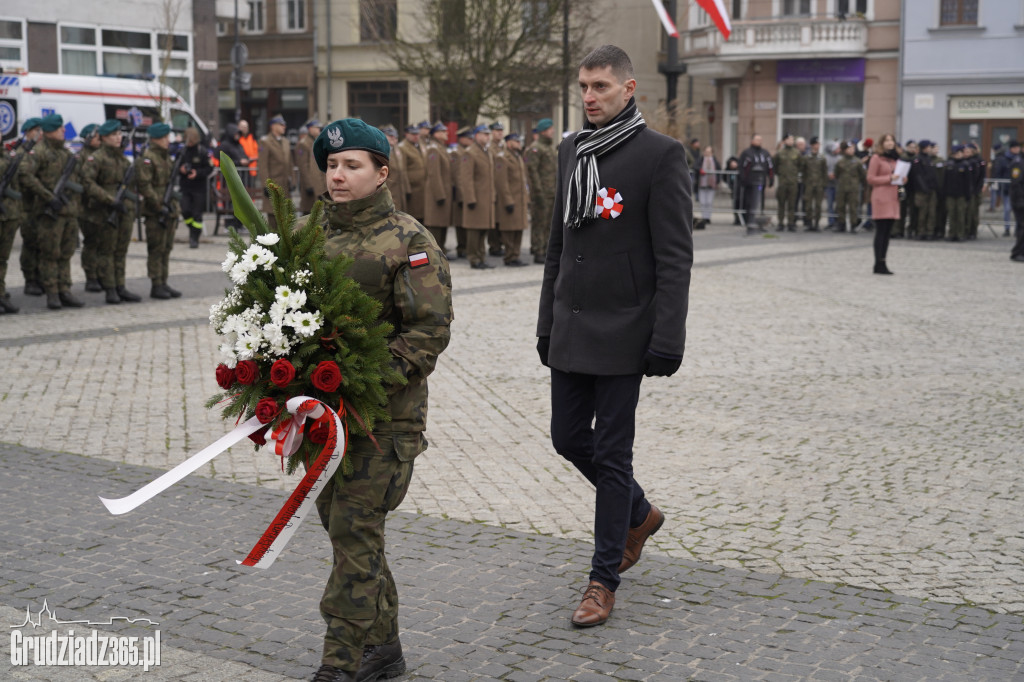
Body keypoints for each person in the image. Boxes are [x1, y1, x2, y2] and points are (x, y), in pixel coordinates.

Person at [536, 44, 692, 628]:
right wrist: (546, 322)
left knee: (611, 453)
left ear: (629, 90)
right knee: (567, 437)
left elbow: (675, 258)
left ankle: (603, 579)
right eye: (583, 86)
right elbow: (558, 245)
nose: (589, 96)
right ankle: (640, 514)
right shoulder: (571, 150)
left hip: (627, 331)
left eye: (600, 86)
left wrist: (667, 337)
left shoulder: (660, 155)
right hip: (571, 327)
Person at [306, 117, 453, 682]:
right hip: (321, 417)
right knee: (348, 532)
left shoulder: (410, 241)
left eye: (351, 166)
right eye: (331, 165)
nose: (338, 176)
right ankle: (384, 649)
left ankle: (339, 664)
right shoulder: (307, 232)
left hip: (382, 422)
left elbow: (427, 332)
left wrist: (359, 383)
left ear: (381, 172)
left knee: (353, 531)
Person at [17, 114, 85, 310]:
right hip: (49, 213)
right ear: (48, 132)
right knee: (50, 253)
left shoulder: (65, 153)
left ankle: (65, 289)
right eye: (59, 128)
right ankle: (52, 292)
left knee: (66, 253)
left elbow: (76, 179)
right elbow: (25, 175)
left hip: (68, 211)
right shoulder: (38, 152)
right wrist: (48, 197)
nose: (63, 131)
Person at [80, 119, 141, 304]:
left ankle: (120, 286)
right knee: (107, 251)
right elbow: (88, 183)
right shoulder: (96, 158)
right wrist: (109, 200)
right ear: (104, 138)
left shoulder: (122, 158)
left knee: (121, 251)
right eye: (114, 135)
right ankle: (110, 288)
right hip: (106, 211)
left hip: (123, 210)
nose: (118, 137)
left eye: (119, 134)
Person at [136, 123, 181, 299]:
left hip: (168, 208)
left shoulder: (165, 157)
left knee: (166, 247)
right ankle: (156, 284)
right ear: (155, 138)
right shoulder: (148, 158)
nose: (167, 141)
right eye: (164, 138)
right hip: (155, 211)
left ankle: (164, 281)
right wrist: (158, 205)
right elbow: (145, 186)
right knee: (156, 248)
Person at [458, 124, 496, 269]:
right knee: (474, 230)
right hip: (476, 199)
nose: (487, 137)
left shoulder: (488, 151)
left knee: (483, 229)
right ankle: (474, 258)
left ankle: (481, 257)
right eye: (484, 134)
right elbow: (466, 179)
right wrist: (470, 199)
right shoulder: (470, 153)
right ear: (477, 136)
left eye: (488, 134)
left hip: (486, 198)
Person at [866, 134, 904, 275]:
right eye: (887, 140)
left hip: (893, 197)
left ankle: (883, 262)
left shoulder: (896, 159)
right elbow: (870, 178)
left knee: (888, 232)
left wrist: (902, 179)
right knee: (881, 231)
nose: (890, 143)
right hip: (881, 197)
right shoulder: (876, 158)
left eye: (892, 140)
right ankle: (878, 264)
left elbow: (898, 177)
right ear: (882, 143)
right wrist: (889, 178)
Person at [17, 118, 45, 296]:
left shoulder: (41, 152)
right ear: (28, 132)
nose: (40, 133)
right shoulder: (22, 153)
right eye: (36, 130)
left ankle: (40, 277)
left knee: (41, 243)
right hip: (26, 206)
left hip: (41, 205)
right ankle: (30, 279)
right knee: (30, 243)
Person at [76, 124, 105, 291]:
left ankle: (101, 274)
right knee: (91, 243)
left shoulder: (100, 155)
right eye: (96, 137)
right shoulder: (82, 157)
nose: (99, 140)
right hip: (87, 207)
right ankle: (91, 276)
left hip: (101, 205)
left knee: (102, 243)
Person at [493, 132, 529, 265]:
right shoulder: (502, 157)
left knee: (519, 229)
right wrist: (508, 200)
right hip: (510, 200)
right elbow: (502, 183)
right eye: (516, 141)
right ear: (509, 143)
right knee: (509, 229)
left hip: (520, 200)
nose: (519, 143)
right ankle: (509, 256)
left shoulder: (518, 156)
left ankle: (515, 255)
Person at [526, 118, 558, 263]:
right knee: (539, 222)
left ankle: (545, 248)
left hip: (552, 192)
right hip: (542, 193)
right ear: (544, 131)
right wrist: (538, 193)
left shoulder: (549, 148)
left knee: (548, 223)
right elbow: (532, 172)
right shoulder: (535, 148)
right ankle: (538, 250)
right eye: (550, 129)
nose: (553, 131)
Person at [258, 115, 293, 229]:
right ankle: (273, 246)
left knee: (286, 220)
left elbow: (290, 163)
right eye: (281, 124)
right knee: (273, 221)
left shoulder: (286, 142)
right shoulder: (265, 142)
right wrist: (266, 185)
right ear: (273, 126)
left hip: (285, 186)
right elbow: (263, 165)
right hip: (274, 185)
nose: (284, 127)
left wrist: (293, 181)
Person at [179, 127, 212, 248]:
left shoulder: (202, 151)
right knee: (185, 210)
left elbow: (209, 168)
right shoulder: (182, 151)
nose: (189, 143)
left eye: (192, 141)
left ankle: (194, 238)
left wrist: (197, 173)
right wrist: (180, 170)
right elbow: (175, 167)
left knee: (197, 214)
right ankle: (192, 229)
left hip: (199, 188)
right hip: (185, 187)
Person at [422, 121, 453, 252]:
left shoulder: (440, 147)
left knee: (442, 223)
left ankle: (441, 250)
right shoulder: (433, 149)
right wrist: (439, 194)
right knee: (436, 224)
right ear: (436, 134)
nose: (446, 133)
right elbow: (434, 173)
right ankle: (435, 252)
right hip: (437, 193)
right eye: (443, 131)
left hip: (444, 191)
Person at [738, 134, 773, 232]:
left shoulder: (764, 153)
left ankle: (759, 223)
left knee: (759, 202)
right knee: (750, 202)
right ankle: (750, 222)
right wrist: (743, 179)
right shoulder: (747, 153)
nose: (759, 142)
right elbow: (742, 167)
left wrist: (771, 178)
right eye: (757, 140)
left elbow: (770, 166)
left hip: (760, 182)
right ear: (752, 140)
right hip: (749, 182)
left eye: (760, 140)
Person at [909, 140, 938, 241]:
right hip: (921, 191)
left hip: (931, 190)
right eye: (929, 147)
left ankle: (929, 232)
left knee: (931, 212)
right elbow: (917, 175)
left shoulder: (929, 159)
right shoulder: (917, 159)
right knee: (922, 212)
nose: (930, 148)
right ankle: (920, 232)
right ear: (924, 147)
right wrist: (923, 187)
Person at [295, 119, 326, 214]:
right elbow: (303, 166)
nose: (318, 130)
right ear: (310, 129)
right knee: (309, 211)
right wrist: (309, 185)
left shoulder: (317, 141)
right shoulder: (304, 143)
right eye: (316, 128)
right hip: (310, 183)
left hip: (319, 182)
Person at [834, 141, 865, 232]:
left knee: (853, 207)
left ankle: (853, 225)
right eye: (849, 149)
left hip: (853, 188)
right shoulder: (840, 161)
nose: (852, 150)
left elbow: (862, 174)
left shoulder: (857, 161)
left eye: (853, 148)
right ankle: (841, 224)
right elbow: (837, 174)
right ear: (845, 150)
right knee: (840, 206)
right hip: (842, 187)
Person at [397, 125, 426, 222]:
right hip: (413, 188)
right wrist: (407, 189)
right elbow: (403, 169)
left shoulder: (420, 145)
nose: (416, 136)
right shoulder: (403, 147)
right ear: (406, 134)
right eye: (413, 134)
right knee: (414, 217)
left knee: (422, 217)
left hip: (423, 187)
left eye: (417, 134)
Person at [774, 132, 802, 231]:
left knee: (792, 204)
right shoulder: (779, 153)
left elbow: (800, 166)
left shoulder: (797, 153)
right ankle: (780, 223)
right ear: (784, 141)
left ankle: (791, 223)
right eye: (789, 139)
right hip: (782, 182)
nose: (791, 141)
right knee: (781, 203)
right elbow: (775, 166)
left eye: (792, 139)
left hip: (793, 182)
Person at [380, 125, 411, 214]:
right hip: (388, 193)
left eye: (395, 136)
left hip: (399, 192)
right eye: (390, 136)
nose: (394, 138)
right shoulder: (381, 152)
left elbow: (403, 170)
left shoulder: (397, 150)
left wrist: (407, 189)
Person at [803, 137, 827, 231]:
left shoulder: (822, 158)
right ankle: (809, 223)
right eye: (816, 144)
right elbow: (803, 171)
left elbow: (824, 172)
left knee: (818, 205)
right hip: (809, 184)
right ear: (812, 145)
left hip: (819, 185)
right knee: (808, 205)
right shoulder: (806, 158)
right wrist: (805, 182)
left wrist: (824, 184)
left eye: (819, 144)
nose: (818, 146)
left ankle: (816, 224)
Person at [695, 145, 720, 230]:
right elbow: (695, 166)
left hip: (711, 184)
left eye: (709, 152)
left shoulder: (714, 160)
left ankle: (708, 217)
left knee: (709, 202)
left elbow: (719, 170)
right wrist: (700, 170)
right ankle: (703, 216)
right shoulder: (701, 159)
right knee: (703, 202)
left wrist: (717, 181)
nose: (707, 153)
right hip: (702, 183)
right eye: (706, 152)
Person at [1007, 140, 1024, 262]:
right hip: (1020, 201)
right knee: (1022, 228)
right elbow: (1016, 183)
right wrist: (1020, 201)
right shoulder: (1018, 163)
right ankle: (1017, 252)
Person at [237, 119, 259, 186]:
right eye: (243, 127)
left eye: (246, 127)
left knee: (251, 190)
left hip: (251, 169)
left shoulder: (252, 138)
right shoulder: (237, 138)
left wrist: (253, 158)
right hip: (240, 169)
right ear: (238, 127)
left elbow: (257, 151)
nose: (245, 128)